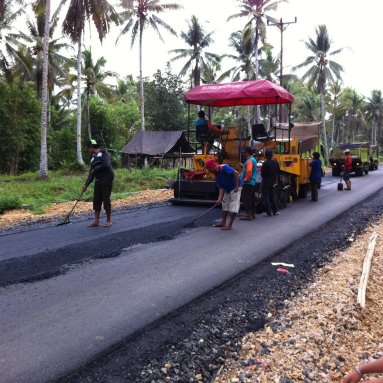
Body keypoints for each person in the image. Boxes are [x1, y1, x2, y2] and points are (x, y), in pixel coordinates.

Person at [83, 139, 114, 227]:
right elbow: (91, 174)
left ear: (92, 147)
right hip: (98, 180)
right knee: (96, 200)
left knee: (106, 199)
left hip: (107, 179)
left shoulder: (104, 153)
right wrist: (86, 185)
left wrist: (96, 169)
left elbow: (107, 165)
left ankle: (108, 220)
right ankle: (96, 221)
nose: (88, 150)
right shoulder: (93, 158)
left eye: (88, 148)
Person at [205, 157, 243, 230]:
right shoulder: (216, 175)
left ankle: (230, 225)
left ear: (212, 167)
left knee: (234, 206)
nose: (209, 171)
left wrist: (236, 186)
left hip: (236, 186)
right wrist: (219, 199)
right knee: (224, 204)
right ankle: (223, 223)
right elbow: (221, 187)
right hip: (228, 188)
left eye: (209, 169)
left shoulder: (224, 167)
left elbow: (236, 173)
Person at [261, 148, 280, 216]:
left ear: (265, 155)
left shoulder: (265, 163)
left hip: (266, 182)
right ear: (272, 155)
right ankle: (275, 211)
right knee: (273, 196)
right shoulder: (276, 162)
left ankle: (268, 212)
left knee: (266, 197)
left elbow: (262, 174)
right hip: (273, 181)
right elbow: (278, 172)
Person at [240, 146, 257, 220]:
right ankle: (252, 214)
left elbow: (249, 171)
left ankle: (248, 215)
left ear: (247, 153)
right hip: (252, 183)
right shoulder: (253, 160)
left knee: (246, 199)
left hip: (248, 183)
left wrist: (245, 179)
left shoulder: (249, 160)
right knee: (251, 199)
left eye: (245, 152)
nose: (244, 154)